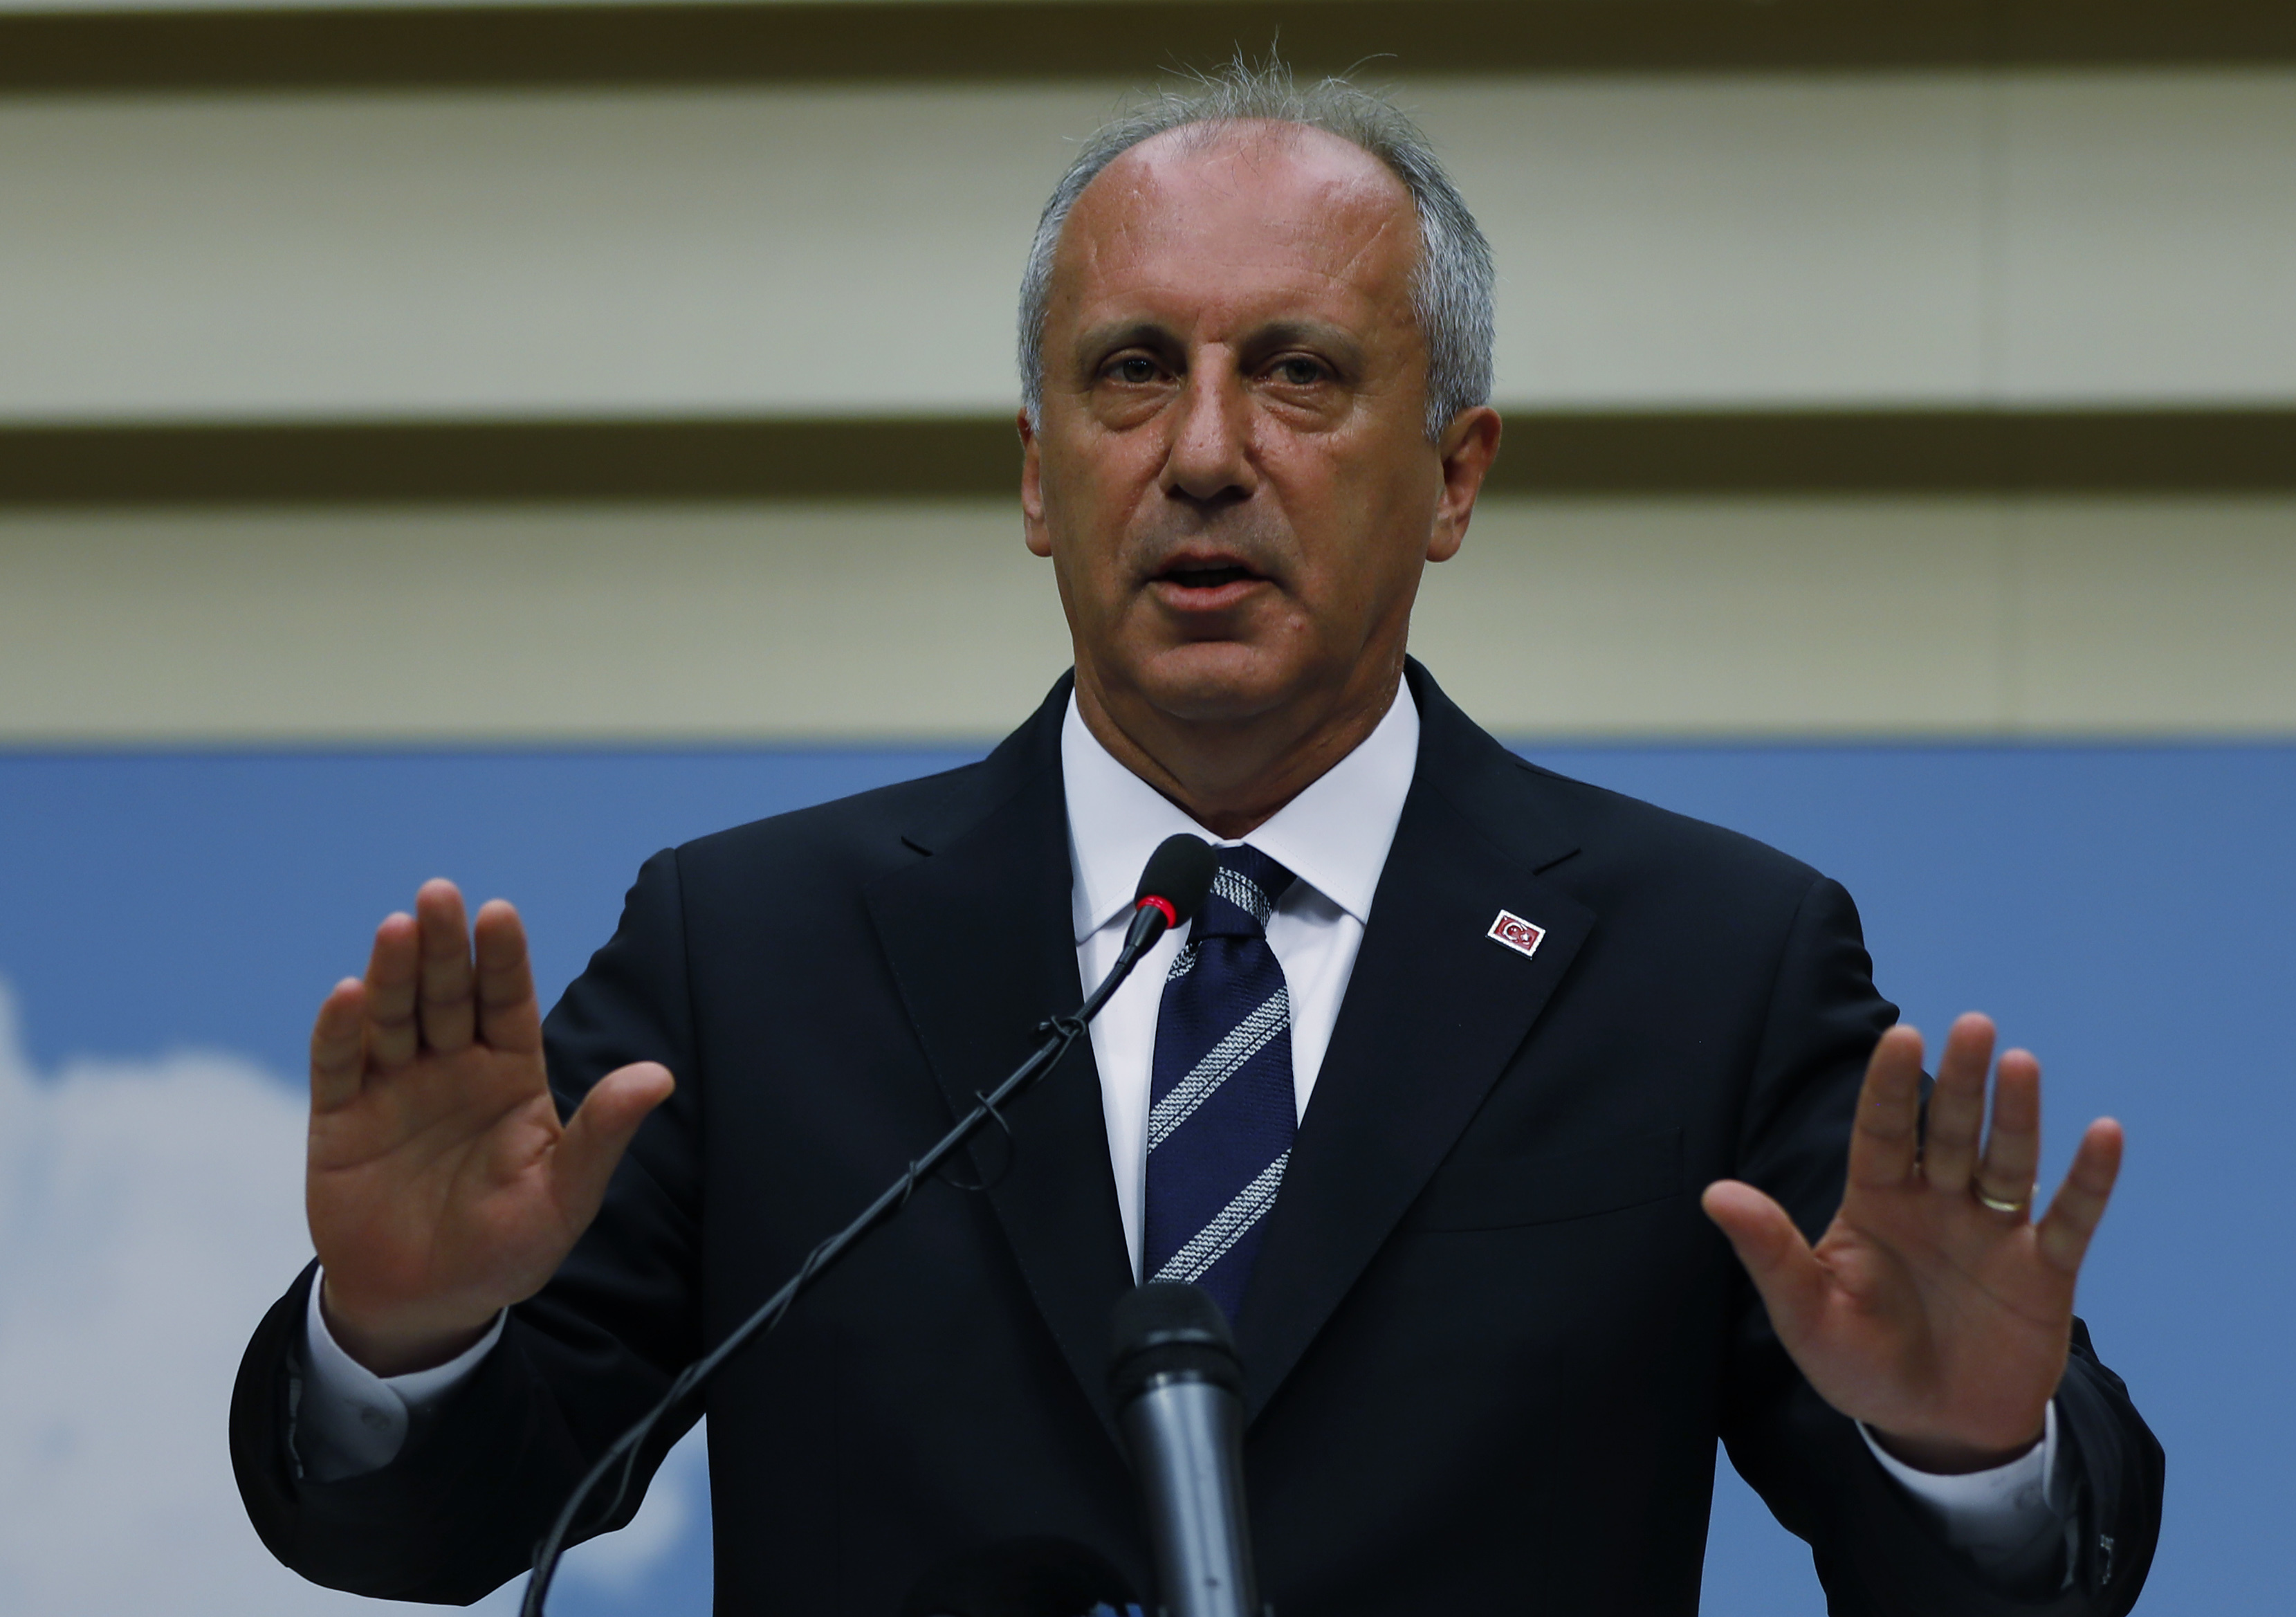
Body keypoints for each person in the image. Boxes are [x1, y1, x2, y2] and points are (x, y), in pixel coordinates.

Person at [232, 63, 2162, 1615]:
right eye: (1132, 370)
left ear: (1455, 476)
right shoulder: (752, 951)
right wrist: (403, 1336)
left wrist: (1962, 1452)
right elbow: (435, 1529)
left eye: (1299, 372)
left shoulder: (1703, 966)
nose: (1209, 452)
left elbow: (1988, 1575)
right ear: (1038, 475)